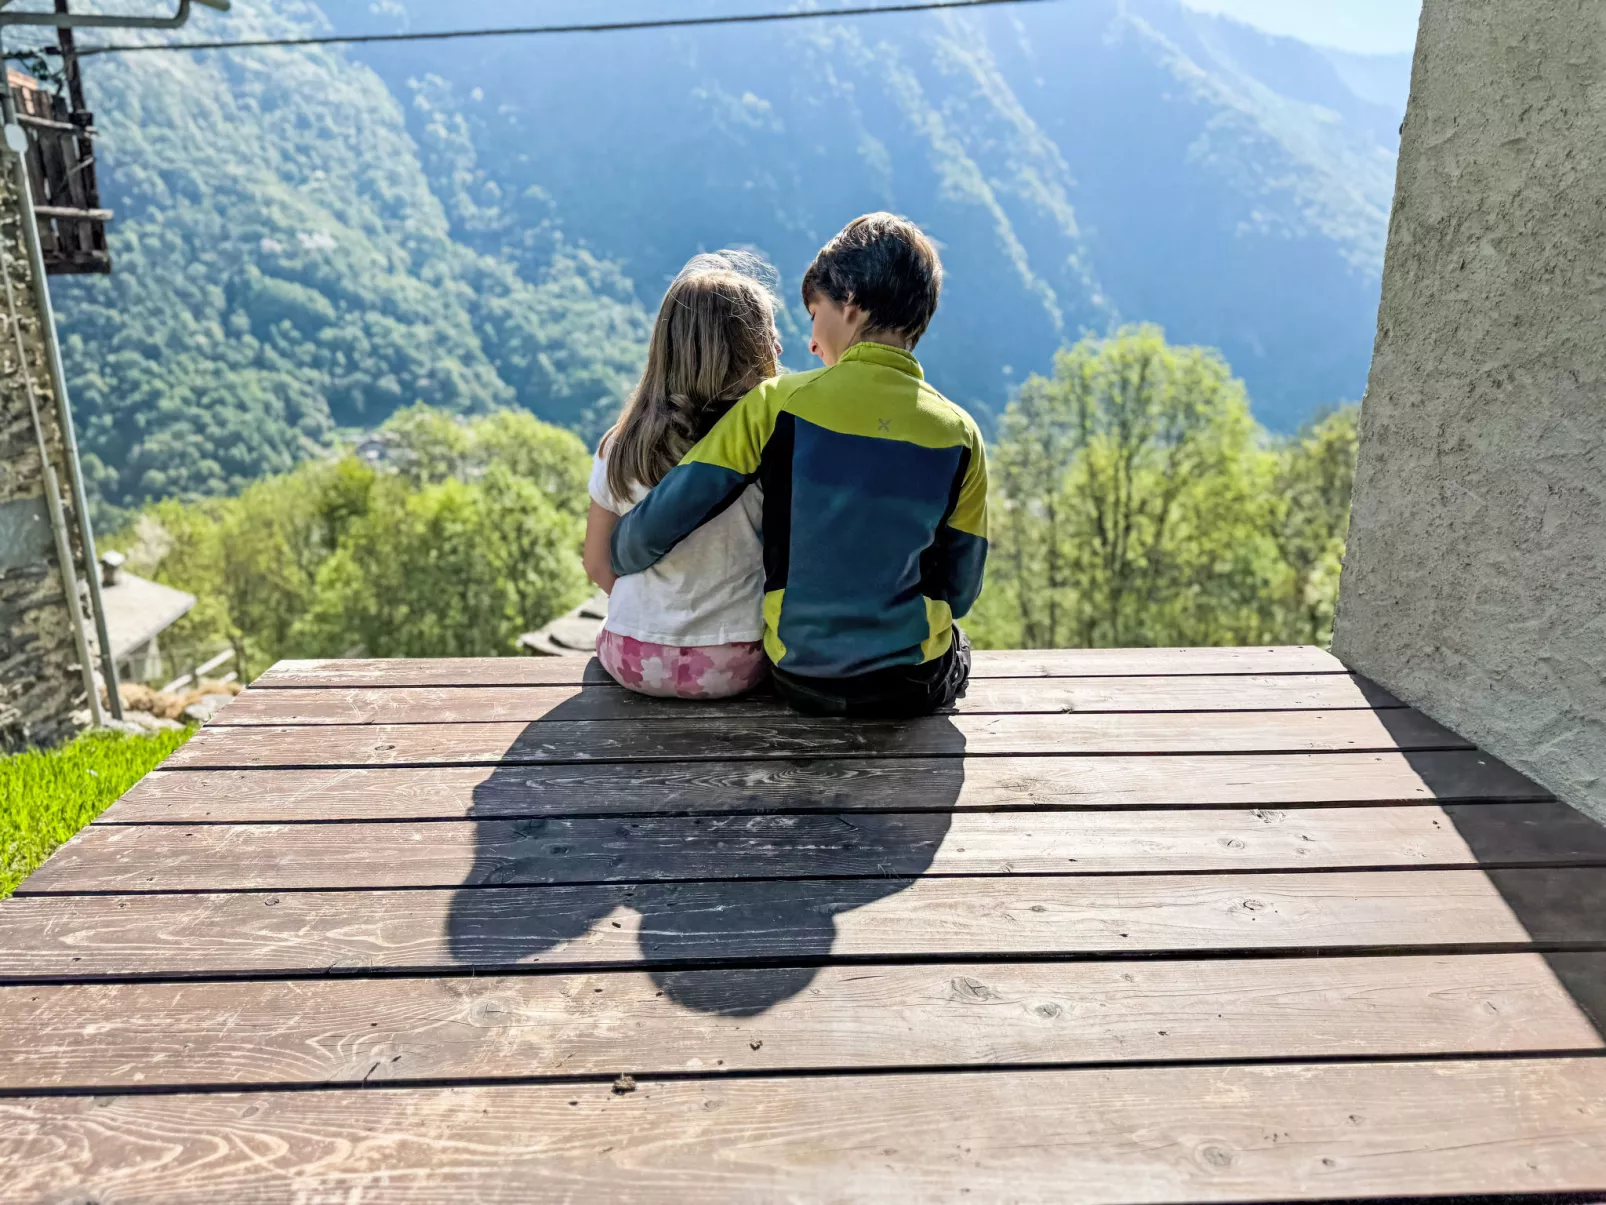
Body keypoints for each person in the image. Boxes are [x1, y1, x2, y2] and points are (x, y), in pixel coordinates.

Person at [610, 212, 987, 717]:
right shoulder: (961, 434)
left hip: (803, 678)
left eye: (814, 314)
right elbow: (961, 592)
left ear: (849, 301)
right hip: (908, 684)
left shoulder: (775, 405)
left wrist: (619, 551)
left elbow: (659, 521)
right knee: (957, 646)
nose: (811, 341)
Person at [582, 252, 780, 699]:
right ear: (749, 351)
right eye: (769, 336)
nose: (779, 349)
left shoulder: (620, 445)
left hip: (631, 657)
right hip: (735, 661)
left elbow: (596, 563)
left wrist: (652, 625)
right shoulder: (769, 447)